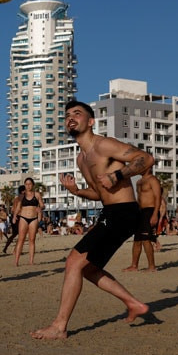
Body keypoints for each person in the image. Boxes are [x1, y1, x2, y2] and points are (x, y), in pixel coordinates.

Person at [31, 100, 151, 340]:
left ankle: (59, 326)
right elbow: (99, 192)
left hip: (123, 211)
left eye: (77, 113)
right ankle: (133, 303)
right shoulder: (81, 160)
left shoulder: (104, 145)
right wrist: (76, 192)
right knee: (88, 269)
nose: (70, 118)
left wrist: (119, 174)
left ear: (91, 121)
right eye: (67, 115)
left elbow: (145, 159)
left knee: (73, 263)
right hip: (110, 212)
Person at [123, 166, 162, 272]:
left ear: (147, 168)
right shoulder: (139, 181)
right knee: (137, 240)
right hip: (140, 212)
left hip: (150, 210)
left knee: (145, 239)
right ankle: (134, 266)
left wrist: (155, 214)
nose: (138, 168)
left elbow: (158, 197)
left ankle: (152, 266)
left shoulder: (153, 180)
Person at [12, 177, 44, 266]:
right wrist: (14, 216)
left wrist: (40, 208)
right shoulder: (22, 196)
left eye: (30, 184)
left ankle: (31, 261)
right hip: (23, 218)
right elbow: (18, 207)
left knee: (32, 240)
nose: (28, 186)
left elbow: (42, 205)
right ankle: (16, 261)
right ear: (24, 185)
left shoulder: (37, 195)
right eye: (26, 184)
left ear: (33, 185)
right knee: (21, 239)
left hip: (33, 218)